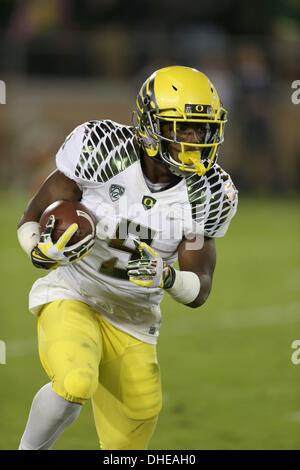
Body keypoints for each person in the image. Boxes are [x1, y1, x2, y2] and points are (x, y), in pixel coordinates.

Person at [17, 65, 238, 450]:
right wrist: (41, 250)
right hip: (75, 292)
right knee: (74, 382)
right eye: (181, 128)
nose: (193, 139)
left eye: (200, 130)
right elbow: (32, 217)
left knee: (129, 444)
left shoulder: (209, 191)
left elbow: (200, 288)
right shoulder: (103, 150)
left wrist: (166, 277)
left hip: (134, 319)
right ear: (151, 125)